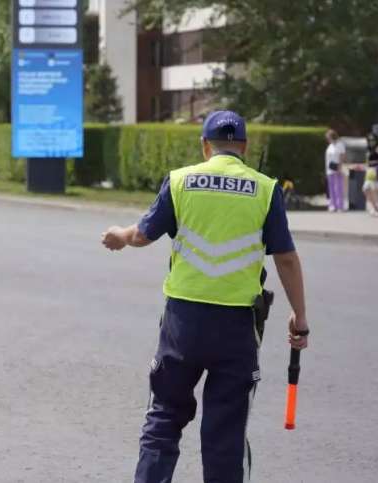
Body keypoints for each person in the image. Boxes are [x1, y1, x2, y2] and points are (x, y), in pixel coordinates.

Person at [100, 110, 310, 483]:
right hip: (236, 326)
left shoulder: (181, 181)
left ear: (204, 146)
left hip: (182, 323)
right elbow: (287, 259)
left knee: (164, 417)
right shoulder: (265, 189)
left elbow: (142, 234)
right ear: (244, 147)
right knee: (225, 433)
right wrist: (300, 317)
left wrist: (119, 235)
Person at [363, 133, 378, 217]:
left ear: (376, 140)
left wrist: (374, 162)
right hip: (369, 171)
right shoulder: (368, 149)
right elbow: (367, 161)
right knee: (365, 189)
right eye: (369, 140)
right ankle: (375, 208)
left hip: (376, 170)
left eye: (373, 140)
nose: (371, 142)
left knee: (376, 190)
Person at [324, 129, 346, 212]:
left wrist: (339, 167)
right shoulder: (330, 146)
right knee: (331, 188)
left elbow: (342, 156)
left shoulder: (340, 144)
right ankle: (333, 205)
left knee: (338, 188)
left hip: (337, 169)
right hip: (329, 170)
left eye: (328, 137)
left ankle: (340, 206)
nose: (327, 139)